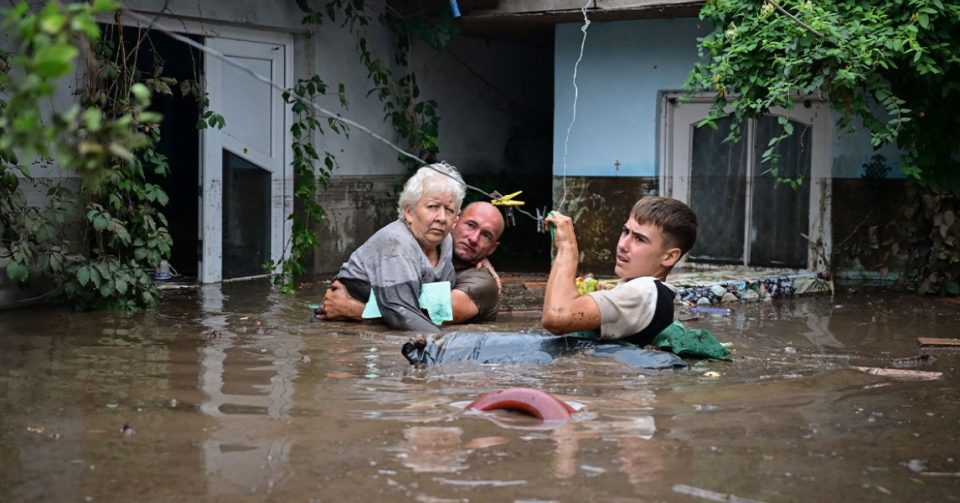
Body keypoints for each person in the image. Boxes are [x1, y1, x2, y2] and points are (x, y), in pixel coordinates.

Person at [541, 196, 698, 346]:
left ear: (670, 256)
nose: (623, 244)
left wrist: (567, 247)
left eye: (639, 239)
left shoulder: (644, 290)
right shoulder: (656, 294)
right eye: (625, 231)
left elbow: (557, 316)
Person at [327, 163, 465, 332]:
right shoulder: (396, 241)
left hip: (370, 320)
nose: (442, 218)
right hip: (343, 333)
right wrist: (451, 346)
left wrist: (484, 261)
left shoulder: (447, 242)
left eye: (449, 210)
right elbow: (402, 314)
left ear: (455, 220)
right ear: (409, 212)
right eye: (432, 207)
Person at [320, 201, 505, 325]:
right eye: (470, 225)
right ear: (454, 222)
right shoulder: (428, 247)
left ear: (492, 248)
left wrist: (354, 310)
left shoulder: (483, 283)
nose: (473, 238)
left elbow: (430, 316)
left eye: (486, 236)